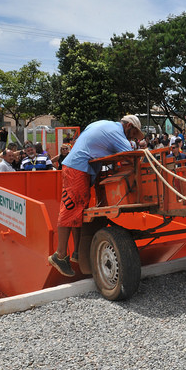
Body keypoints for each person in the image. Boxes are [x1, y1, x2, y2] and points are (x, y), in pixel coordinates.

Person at [48, 115, 144, 277]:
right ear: (128, 126)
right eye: (133, 133)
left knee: (78, 212)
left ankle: (77, 253)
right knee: (70, 209)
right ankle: (60, 255)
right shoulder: (116, 132)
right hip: (77, 169)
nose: (132, 137)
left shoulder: (103, 123)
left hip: (79, 168)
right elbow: (130, 156)